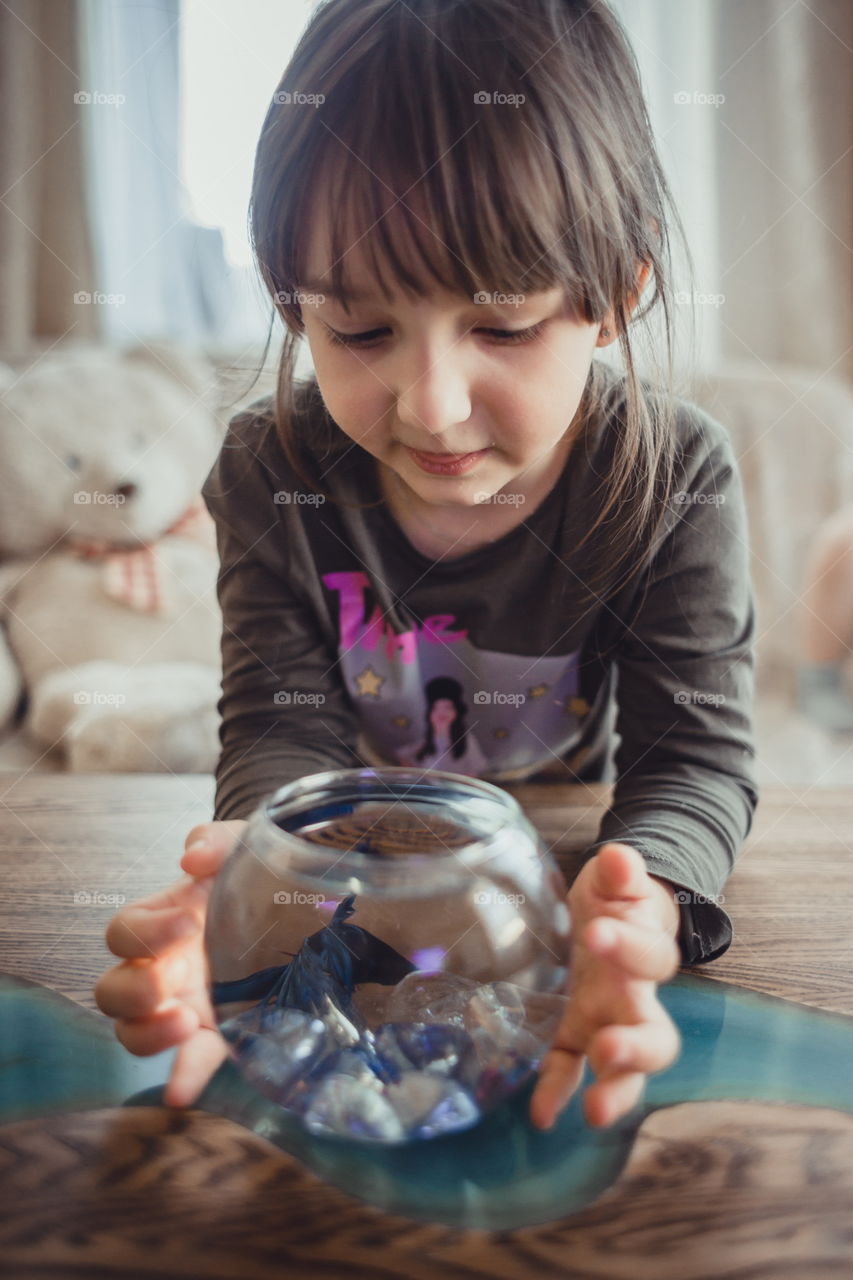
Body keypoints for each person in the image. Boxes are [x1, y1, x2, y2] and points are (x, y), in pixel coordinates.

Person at [95, 0, 758, 1135]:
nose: (432, 406)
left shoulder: (673, 473)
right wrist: (258, 885)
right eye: (358, 333)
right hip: (355, 874)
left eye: (500, 326)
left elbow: (691, 755)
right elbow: (278, 726)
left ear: (616, 294)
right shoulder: (271, 467)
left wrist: (632, 903)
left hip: (543, 859)